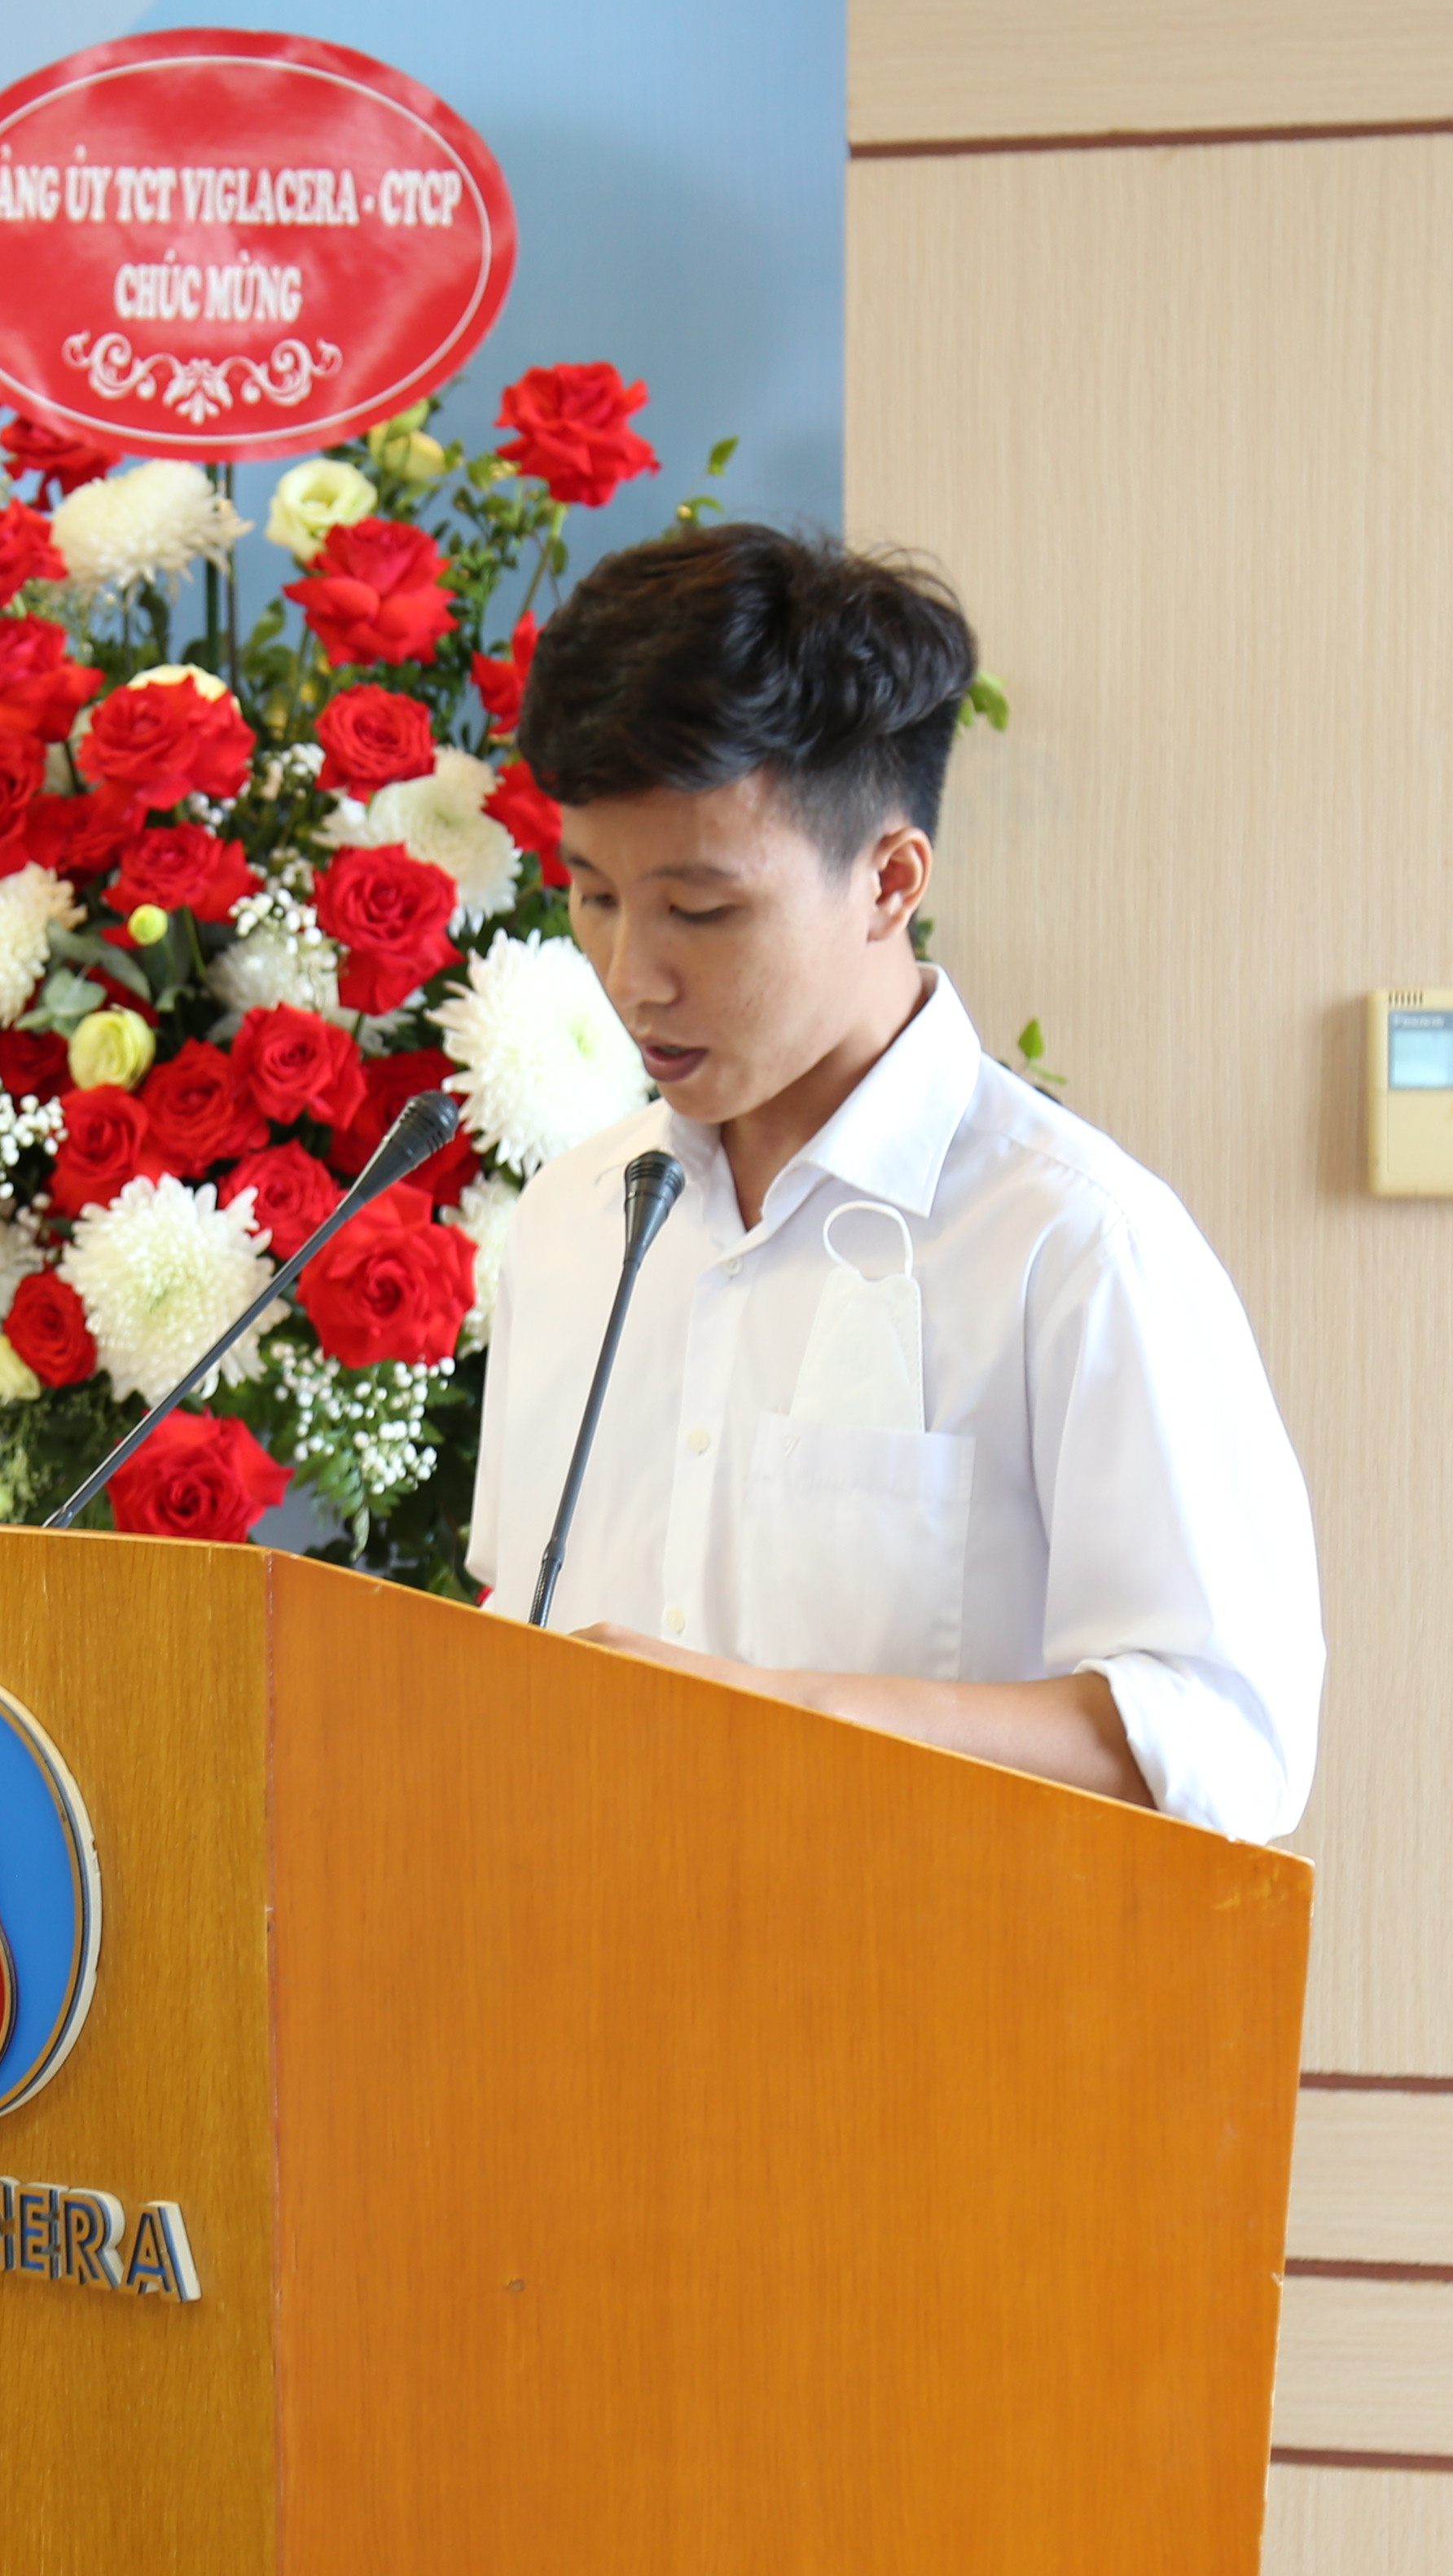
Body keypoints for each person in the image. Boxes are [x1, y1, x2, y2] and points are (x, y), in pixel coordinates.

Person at [463, 525, 1321, 1843]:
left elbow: (1224, 1737)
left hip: (910, 1965)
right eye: (593, 897)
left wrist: (775, 1716)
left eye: (701, 911)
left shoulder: (1074, 1245)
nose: (634, 975)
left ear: (889, 879)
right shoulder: (572, 1221)